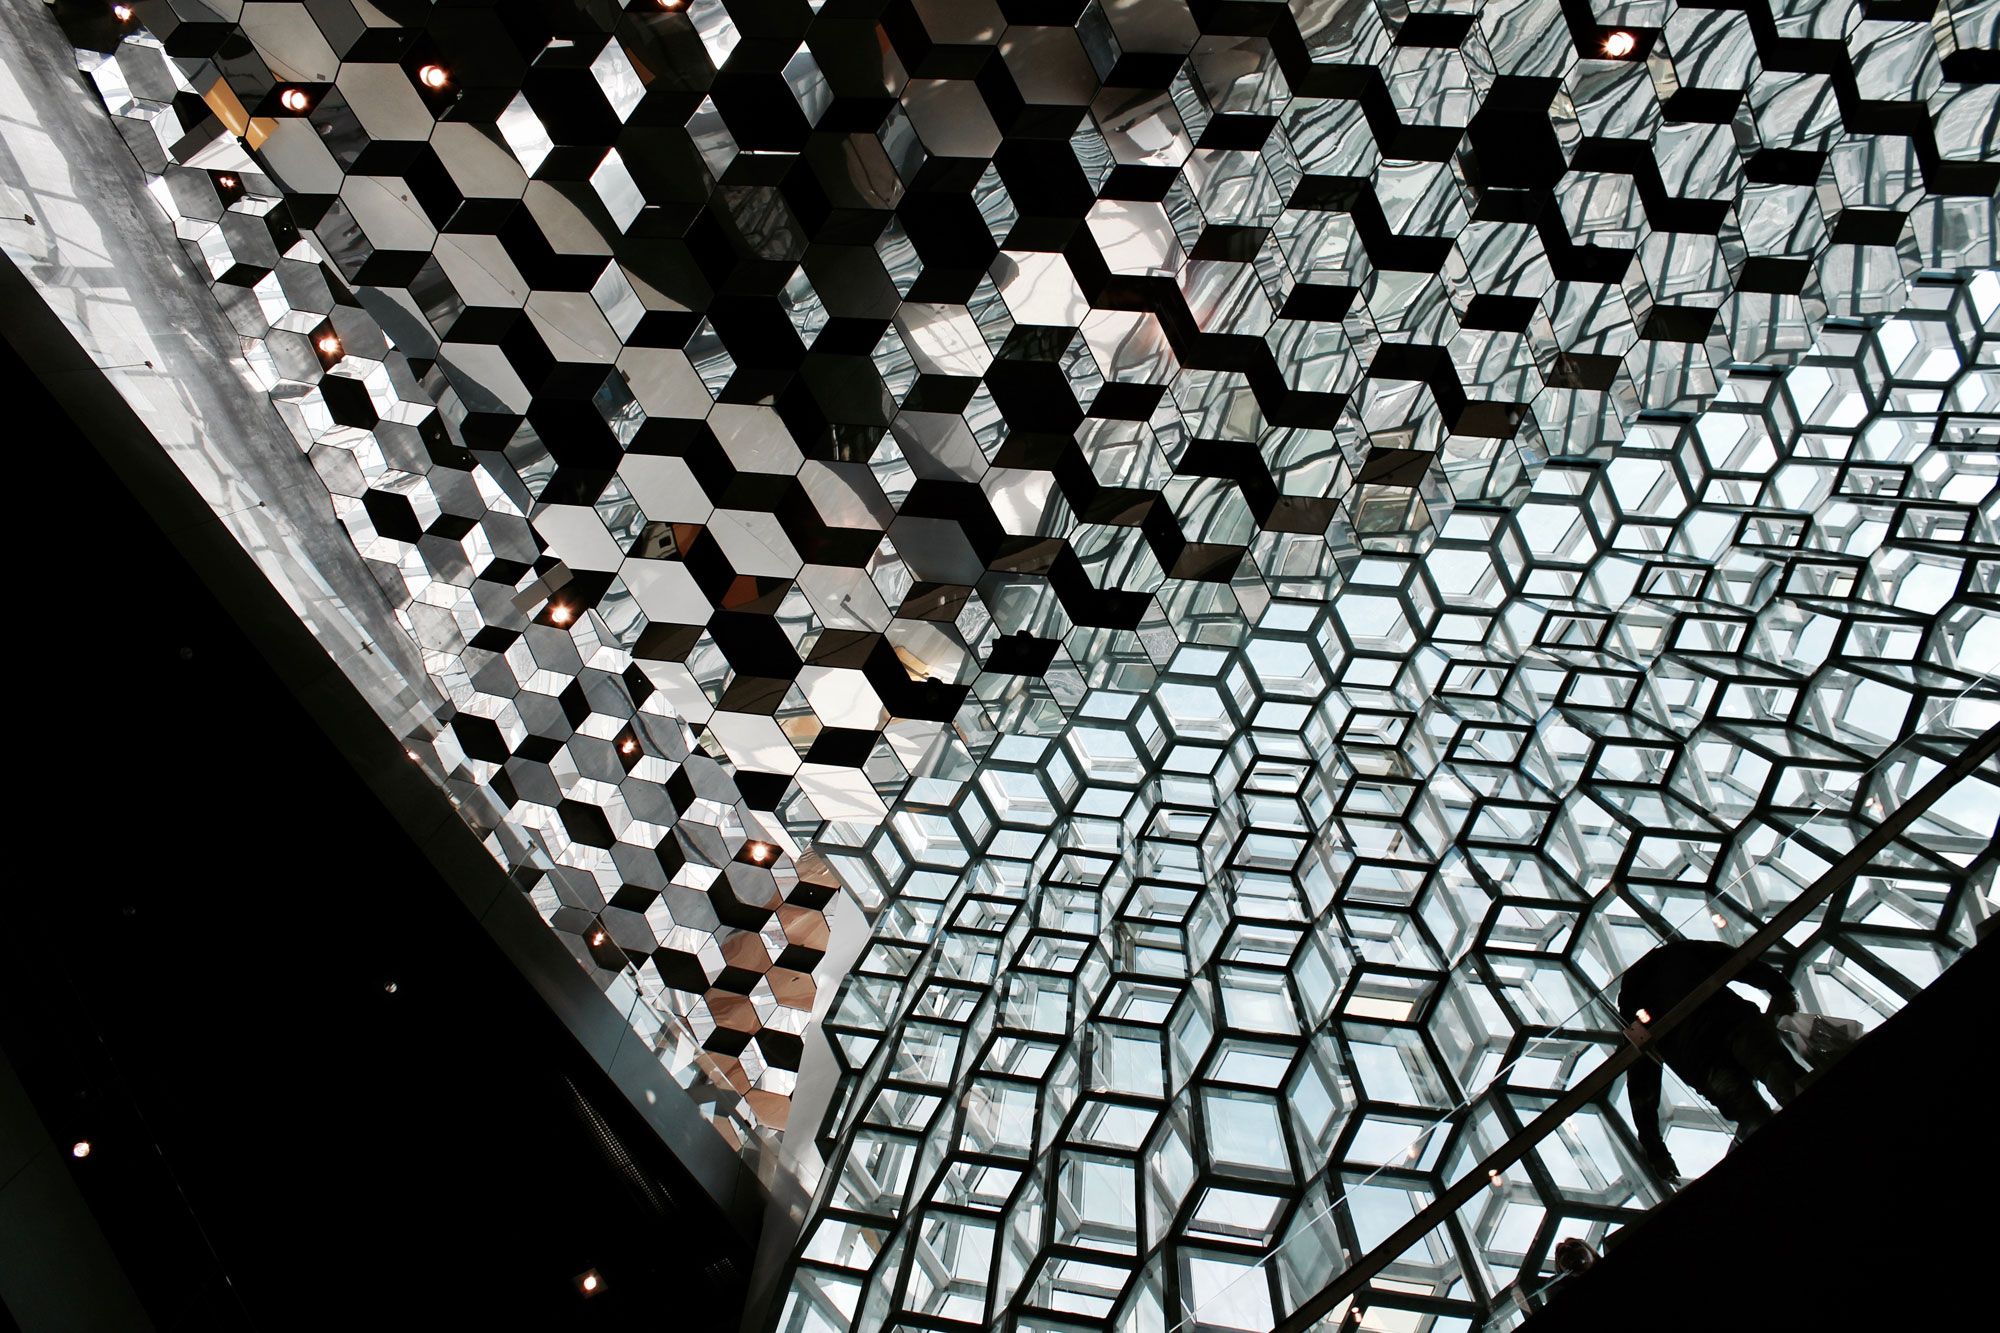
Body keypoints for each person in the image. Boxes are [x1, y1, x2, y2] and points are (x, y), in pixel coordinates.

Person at [1618, 938, 1807, 1182]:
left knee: (1752, 1114)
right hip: (1734, 1024)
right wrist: (1777, 986)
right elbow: (1731, 960)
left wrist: (1654, 1147)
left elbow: (1642, 1072)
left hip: (1701, 1063)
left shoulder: (1632, 996)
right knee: (1781, 1075)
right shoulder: (1675, 953)